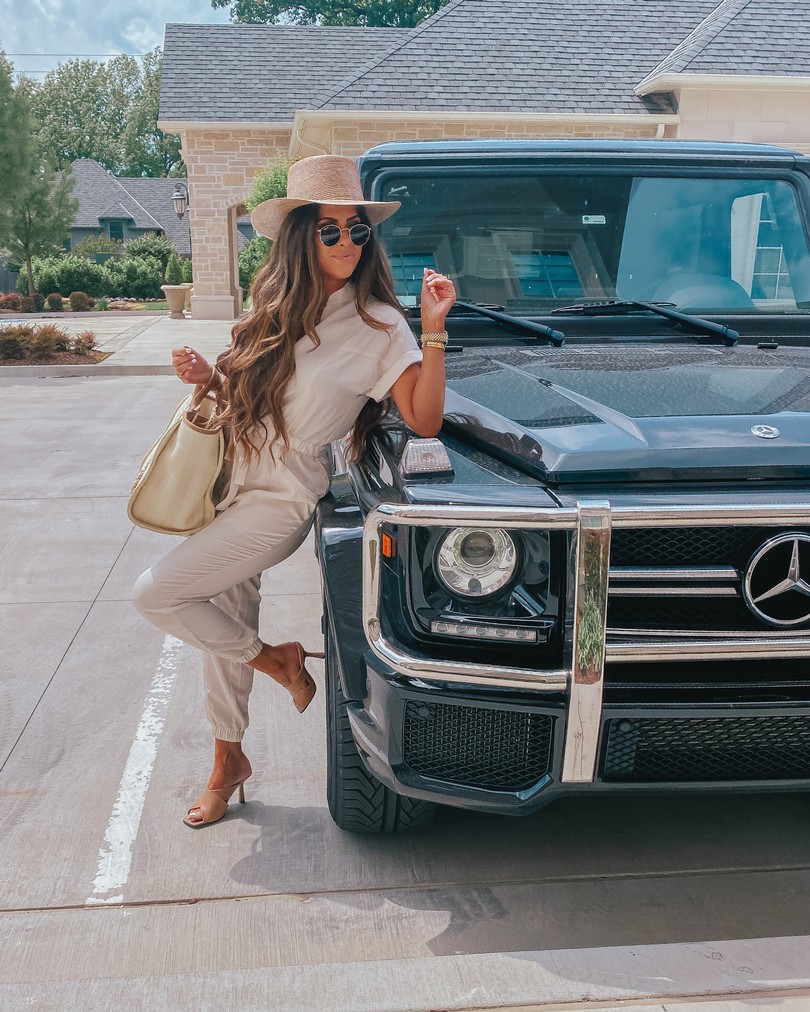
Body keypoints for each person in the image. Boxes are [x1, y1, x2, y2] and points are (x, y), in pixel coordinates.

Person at [132, 154, 456, 828]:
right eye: (329, 230)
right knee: (226, 615)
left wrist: (433, 326)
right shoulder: (274, 305)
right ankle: (228, 762)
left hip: (280, 500)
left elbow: (424, 416)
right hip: (228, 482)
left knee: (158, 593)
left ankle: (280, 663)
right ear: (301, 237)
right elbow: (256, 403)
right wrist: (207, 377)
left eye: (357, 231)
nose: (345, 243)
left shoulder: (378, 326)